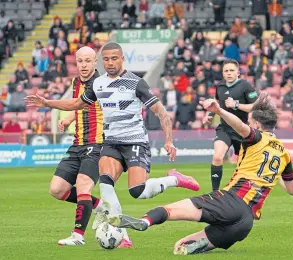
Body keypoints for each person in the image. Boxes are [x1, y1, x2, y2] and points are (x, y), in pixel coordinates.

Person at [24, 44, 200, 243]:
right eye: (106, 59)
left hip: (134, 142)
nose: (110, 63)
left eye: (114, 58)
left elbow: (161, 112)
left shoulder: (136, 83)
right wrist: (48, 103)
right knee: (106, 188)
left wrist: (169, 140)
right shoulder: (98, 84)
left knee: (138, 191)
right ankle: (122, 235)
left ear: (122, 58)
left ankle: (174, 179)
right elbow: (77, 104)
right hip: (110, 143)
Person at [108, 94, 293, 255]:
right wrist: (274, 173)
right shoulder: (284, 154)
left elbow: (240, 127)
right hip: (245, 222)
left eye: (250, 122)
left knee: (170, 210)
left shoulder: (257, 137)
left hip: (231, 201)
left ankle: (144, 221)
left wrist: (220, 112)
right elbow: (292, 190)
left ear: (256, 123)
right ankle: (199, 244)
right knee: (181, 246)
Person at [26, 47, 126, 247]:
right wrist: (70, 119)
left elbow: (78, 104)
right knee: (57, 189)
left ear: (95, 61)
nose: (83, 65)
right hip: (77, 143)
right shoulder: (75, 82)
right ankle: (99, 207)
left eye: (87, 61)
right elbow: (81, 105)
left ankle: (78, 235)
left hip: (96, 144)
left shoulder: (100, 83)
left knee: (82, 185)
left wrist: (48, 102)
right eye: (80, 61)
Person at [202, 59, 258, 191]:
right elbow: (217, 105)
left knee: (244, 165)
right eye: (226, 71)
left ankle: (243, 192)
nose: (229, 73)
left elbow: (256, 106)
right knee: (217, 157)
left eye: (232, 70)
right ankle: (214, 193)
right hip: (225, 129)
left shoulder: (246, 86)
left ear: (238, 72)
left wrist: (236, 104)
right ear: (222, 73)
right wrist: (209, 115)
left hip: (242, 130)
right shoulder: (220, 87)